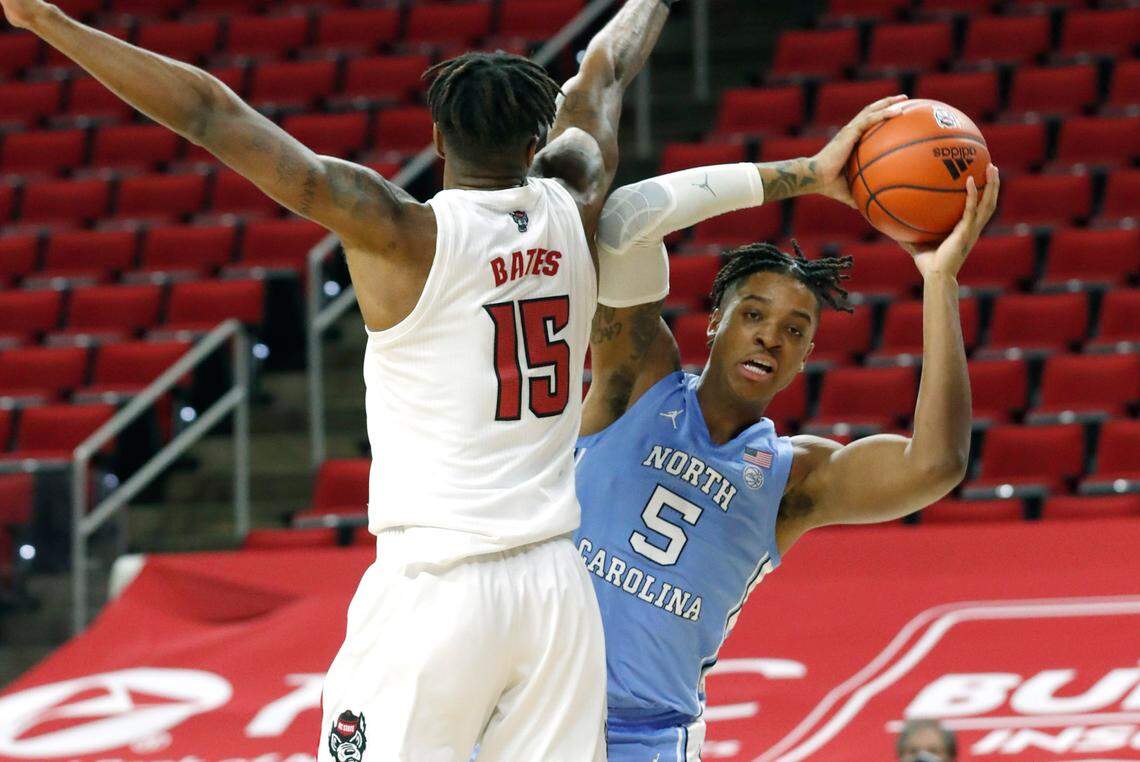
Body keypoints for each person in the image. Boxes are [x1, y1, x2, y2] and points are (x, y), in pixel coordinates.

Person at [0, 0, 674, 757]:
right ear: (536, 138)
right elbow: (605, 68)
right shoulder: (575, 193)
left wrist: (47, 23)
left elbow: (210, 115)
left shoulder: (400, 234)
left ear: (436, 140)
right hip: (555, 588)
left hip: (438, 586)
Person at [573, 96, 1000, 759]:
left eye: (795, 330)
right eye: (753, 314)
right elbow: (626, 219)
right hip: (529, 707)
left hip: (646, 736)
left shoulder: (792, 476)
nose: (771, 335)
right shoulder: (637, 381)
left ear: (804, 359)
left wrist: (939, 280)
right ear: (715, 319)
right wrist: (805, 173)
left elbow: (935, 464)